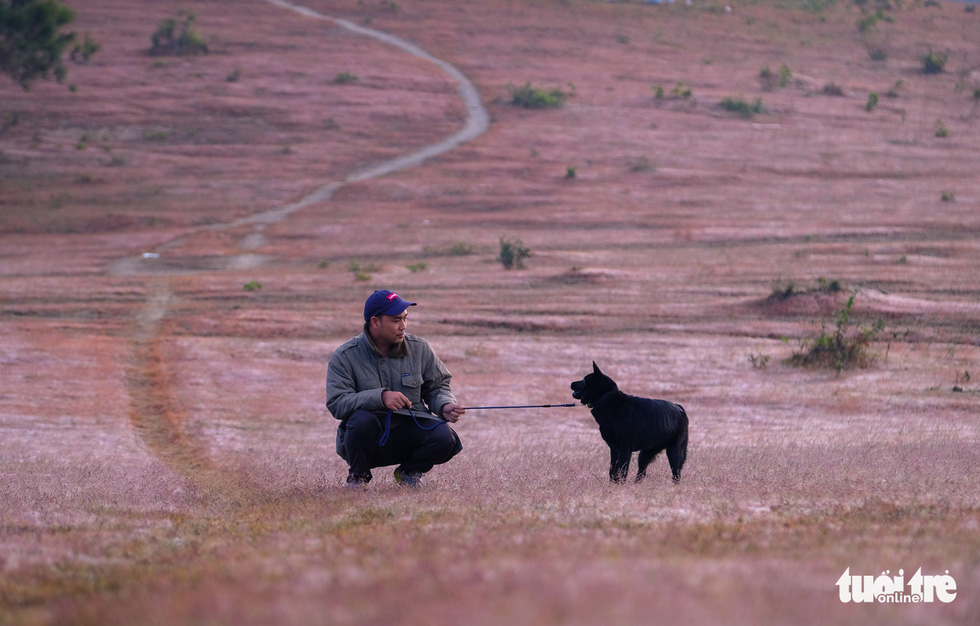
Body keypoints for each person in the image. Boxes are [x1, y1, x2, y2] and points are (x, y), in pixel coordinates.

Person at [326, 289, 465, 488]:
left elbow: (437, 387)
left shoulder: (420, 348)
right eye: (395, 320)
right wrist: (380, 397)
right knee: (360, 420)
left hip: (411, 431)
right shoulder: (345, 356)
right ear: (375, 322)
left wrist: (444, 405)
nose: (403, 326)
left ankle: (408, 473)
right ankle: (358, 478)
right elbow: (337, 403)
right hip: (367, 439)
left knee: (444, 437)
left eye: (405, 319)